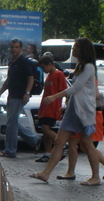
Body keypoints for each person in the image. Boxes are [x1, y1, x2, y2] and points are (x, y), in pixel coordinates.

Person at [29, 38, 101, 186]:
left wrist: (55, 97)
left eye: (75, 47)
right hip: (73, 110)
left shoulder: (88, 67)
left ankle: (95, 177)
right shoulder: (82, 66)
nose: (73, 50)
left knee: (87, 144)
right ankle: (46, 173)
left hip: (82, 112)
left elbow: (76, 88)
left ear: (82, 50)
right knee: (60, 141)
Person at [0, 38, 42, 157]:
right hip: (12, 95)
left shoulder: (24, 62)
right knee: (13, 122)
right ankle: (34, 139)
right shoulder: (12, 62)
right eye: (12, 47)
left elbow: (30, 78)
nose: (14, 49)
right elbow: (8, 80)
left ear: (21, 49)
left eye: (16, 47)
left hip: (19, 96)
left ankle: (10, 150)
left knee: (11, 123)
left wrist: (26, 93)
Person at [35, 55, 68, 162]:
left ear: (50, 64)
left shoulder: (59, 74)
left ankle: (62, 144)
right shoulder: (50, 75)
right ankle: (47, 153)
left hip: (52, 107)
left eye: (44, 67)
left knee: (46, 128)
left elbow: (64, 91)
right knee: (45, 131)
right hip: (46, 107)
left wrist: (64, 104)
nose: (43, 70)